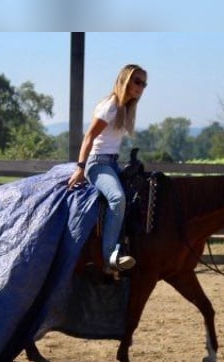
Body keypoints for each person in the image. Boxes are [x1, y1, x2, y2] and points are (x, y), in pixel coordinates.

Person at [68, 64, 148, 272]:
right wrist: (80, 167)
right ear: (125, 80)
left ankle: (127, 246)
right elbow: (89, 137)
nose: (141, 87)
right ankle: (109, 257)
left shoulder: (125, 108)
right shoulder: (111, 106)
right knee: (117, 198)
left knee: (135, 197)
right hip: (97, 163)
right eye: (137, 81)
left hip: (111, 162)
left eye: (144, 83)